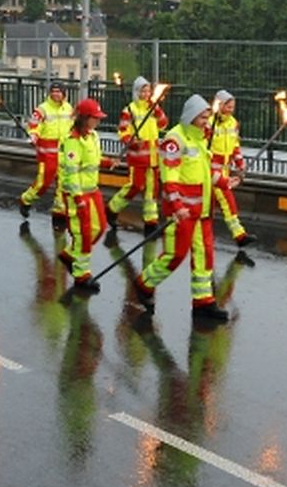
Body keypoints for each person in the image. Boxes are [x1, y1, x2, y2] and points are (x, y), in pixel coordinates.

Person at [131, 94, 229, 323]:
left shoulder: (200, 138)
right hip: (182, 211)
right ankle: (145, 283)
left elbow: (204, 171)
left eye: (207, 117)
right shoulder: (175, 140)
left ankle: (203, 301)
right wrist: (177, 206)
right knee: (175, 255)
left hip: (202, 211)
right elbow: (170, 177)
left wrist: (225, 182)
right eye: (203, 117)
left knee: (204, 255)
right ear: (192, 116)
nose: (206, 121)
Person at [55, 97, 114, 293]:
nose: (98, 120)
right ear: (84, 118)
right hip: (77, 193)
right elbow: (71, 172)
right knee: (83, 233)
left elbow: (93, 159)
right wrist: (77, 198)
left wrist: (106, 162)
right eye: (95, 117)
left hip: (92, 190)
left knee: (100, 227)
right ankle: (82, 274)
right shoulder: (73, 141)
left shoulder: (93, 136)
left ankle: (70, 255)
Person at [106, 76, 168, 236]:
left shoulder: (153, 108)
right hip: (137, 156)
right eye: (143, 91)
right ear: (136, 92)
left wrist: (158, 111)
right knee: (136, 185)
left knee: (152, 190)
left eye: (148, 91)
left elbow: (163, 125)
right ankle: (112, 209)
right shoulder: (129, 110)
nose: (146, 94)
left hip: (153, 156)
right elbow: (123, 131)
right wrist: (132, 142)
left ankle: (151, 222)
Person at [19, 81, 74, 226]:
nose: (56, 94)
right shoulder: (42, 109)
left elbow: (73, 127)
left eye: (58, 91)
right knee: (43, 183)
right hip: (46, 153)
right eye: (53, 91)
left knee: (63, 183)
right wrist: (33, 136)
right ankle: (26, 199)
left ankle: (59, 212)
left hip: (63, 152)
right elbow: (34, 125)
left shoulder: (69, 108)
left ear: (64, 93)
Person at [209, 90, 256, 248]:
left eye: (232, 107)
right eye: (228, 106)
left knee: (222, 203)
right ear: (220, 105)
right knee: (218, 203)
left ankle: (239, 235)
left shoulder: (233, 123)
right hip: (208, 171)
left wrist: (240, 163)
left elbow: (235, 146)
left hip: (223, 171)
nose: (231, 110)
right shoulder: (209, 122)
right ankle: (238, 235)